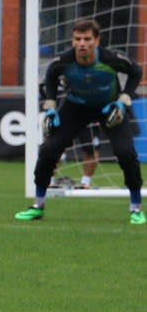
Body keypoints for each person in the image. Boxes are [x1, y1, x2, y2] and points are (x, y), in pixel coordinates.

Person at [15, 19, 145, 224]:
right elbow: (50, 76)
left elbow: (136, 71)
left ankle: (136, 208)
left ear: (97, 40)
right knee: (49, 149)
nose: (82, 43)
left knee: (126, 152)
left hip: (109, 108)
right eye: (77, 39)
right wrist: (50, 107)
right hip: (75, 108)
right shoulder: (63, 61)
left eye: (87, 39)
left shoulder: (111, 59)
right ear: (73, 40)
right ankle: (38, 205)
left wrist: (123, 101)